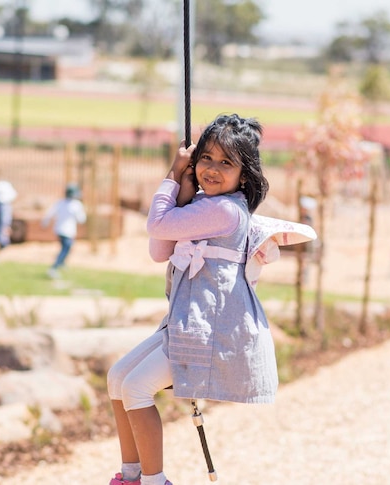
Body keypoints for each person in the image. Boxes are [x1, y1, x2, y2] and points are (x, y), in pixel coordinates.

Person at [106, 114, 314, 485]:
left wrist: (173, 176)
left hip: (210, 329)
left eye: (226, 162)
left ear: (244, 175)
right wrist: (184, 197)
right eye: (206, 158)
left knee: (136, 387)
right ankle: (132, 475)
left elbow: (156, 225)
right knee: (117, 377)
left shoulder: (223, 210)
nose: (212, 169)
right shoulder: (204, 206)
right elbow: (160, 249)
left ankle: (154, 481)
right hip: (189, 321)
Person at [41, 183, 87, 279]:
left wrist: (45, 223)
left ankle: (62, 263)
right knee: (65, 249)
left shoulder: (60, 203)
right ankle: (54, 268)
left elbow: (49, 214)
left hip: (58, 230)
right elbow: (81, 219)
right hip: (68, 231)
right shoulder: (76, 205)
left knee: (65, 248)